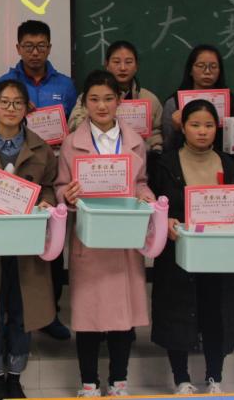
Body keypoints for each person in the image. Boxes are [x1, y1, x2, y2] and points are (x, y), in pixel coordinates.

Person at [56, 70, 153, 397]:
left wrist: (146, 197)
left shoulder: (135, 141)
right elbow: (60, 186)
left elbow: (141, 183)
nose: (102, 106)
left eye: (108, 98)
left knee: (122, 317)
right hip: (91, 238)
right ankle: (88, 383)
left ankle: (119, 382)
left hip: (124, 238)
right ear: (84, 102)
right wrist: (67, 196)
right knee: (88, 315)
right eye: (94, 99)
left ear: (119, 101)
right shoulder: (72, 143)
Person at [149, 99, 234, 395]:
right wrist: (165, 220)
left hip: (217, 252)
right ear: (182, 127)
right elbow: (154, 204)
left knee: (216, 311)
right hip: (178, 252)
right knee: (177, 311)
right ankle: (181, 378)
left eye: (208, 125)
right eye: (195, 125)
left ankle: (214, 377)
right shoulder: (165, 163)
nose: (202, 131)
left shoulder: (229, 164)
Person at [0, 79, 58, 400]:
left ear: (26, 109)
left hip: (26, 240)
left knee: (22, 308)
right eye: (4, 102)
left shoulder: (41, 148)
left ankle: (15, 375)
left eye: (17, 102)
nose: (10, 108)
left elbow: (49, 186)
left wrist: (47, 202)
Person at [0, 19, 76, 340]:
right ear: (18, 48)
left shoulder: (66, 85)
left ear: (50, 48)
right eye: (28, 46)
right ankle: (7, 311)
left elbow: (74, 126)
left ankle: (49, 313)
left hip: (51, 172)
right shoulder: (5, 82)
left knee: (49, 247)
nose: (35, 52)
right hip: (11, 173)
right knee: (11, 250)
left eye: (41, 46)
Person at [68, 40, 163, 163]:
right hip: (96, 159)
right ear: (107, 64)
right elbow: (73, 126)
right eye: (116, 62)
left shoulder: (149, 99)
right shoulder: (90, 97)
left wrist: (155, 151)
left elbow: (156, 133)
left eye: (128, 62)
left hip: (139, 160)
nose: (123, 68)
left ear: (136, 66)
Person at [160, 44, 234, 152]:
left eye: (213, 66)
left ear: (220, 71)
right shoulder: (174, 103)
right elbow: (167, 148)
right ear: (190, 70)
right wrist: (176, 129)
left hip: (223, 160)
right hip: (183, 160)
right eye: (200, 65)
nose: (207, 71)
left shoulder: (233, 103)